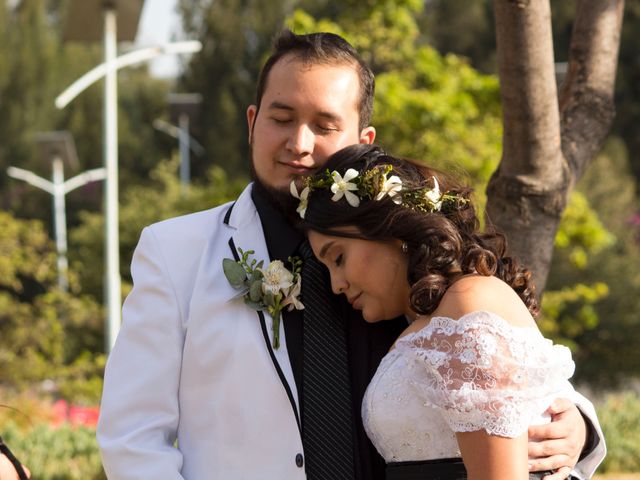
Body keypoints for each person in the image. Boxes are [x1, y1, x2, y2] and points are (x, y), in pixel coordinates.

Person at [97, 30, 604, 479]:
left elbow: (503, 361)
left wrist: (576, 426)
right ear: (252, 122)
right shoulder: (174, 251)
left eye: (323, 125)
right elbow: (133, 438)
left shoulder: (405, 261)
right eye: (281, 118)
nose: (299, 143)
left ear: (363, 143)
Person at [298, 143, 606, 479]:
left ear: (389, 228)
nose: (336, 285)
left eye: (339, 258)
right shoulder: (435, 317)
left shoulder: (469, 303)